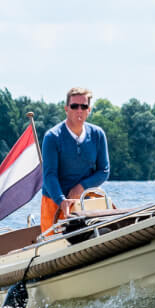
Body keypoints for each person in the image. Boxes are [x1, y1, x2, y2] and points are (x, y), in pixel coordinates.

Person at [41, 86, 110, 235]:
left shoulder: (98, 135)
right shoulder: (52, 137)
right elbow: (49, 175)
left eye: (84, 106)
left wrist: (81, 187)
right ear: (66, 109)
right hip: (55, 202)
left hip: (86, 200)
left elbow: (104, 171)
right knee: (53, 245)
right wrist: (61, 200)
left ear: (89, 110)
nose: (79, 110)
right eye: (74, 106)